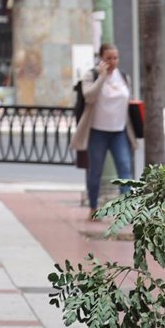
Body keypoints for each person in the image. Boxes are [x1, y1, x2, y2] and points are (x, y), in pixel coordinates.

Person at [71, 43, 137, 218]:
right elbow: (89, 96)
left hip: (119, 131)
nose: (113, 62)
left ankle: (125, 210)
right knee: (96, 171)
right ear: (101, 58)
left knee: (124, 168)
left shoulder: (123, 77)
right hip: (97, 131)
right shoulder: (90, 75)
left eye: (115, 58)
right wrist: (101, 77)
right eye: (108, 58)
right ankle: (93, 208)